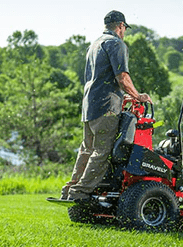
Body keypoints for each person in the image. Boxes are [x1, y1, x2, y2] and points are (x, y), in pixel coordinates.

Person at [60, 10, 152, 201]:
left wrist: (123, 97)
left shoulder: (95, 44)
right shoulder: (116, 43)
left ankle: (69, 189)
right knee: (102, 151)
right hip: (106, 108)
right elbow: (122, 77)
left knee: (86, 149)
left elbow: (101, 78)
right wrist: (137, 96)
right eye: (124, 28)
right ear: (120, 26)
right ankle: (80, 193)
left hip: (89, 105)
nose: (124, 31)